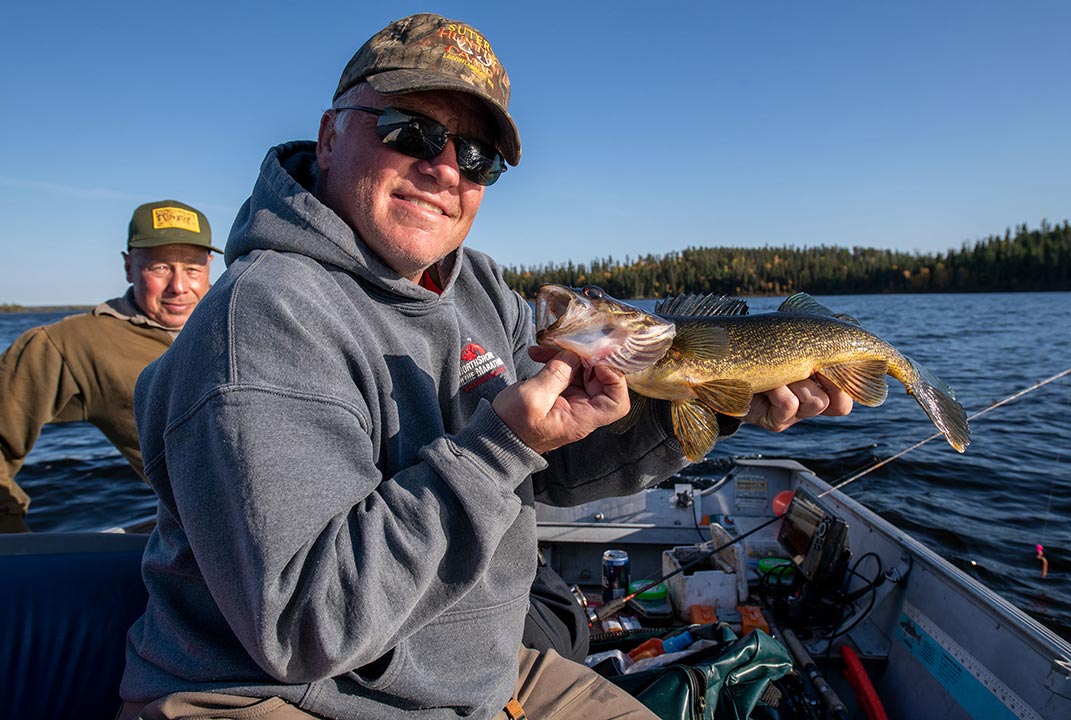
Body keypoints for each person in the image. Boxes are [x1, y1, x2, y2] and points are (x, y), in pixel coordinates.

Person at [119, 13, 852, 720]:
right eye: (411, 131)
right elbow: (307, 626)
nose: (444, 169)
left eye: (477, 156)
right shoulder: (265, 315)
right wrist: (502, 445)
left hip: (472, 675)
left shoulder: (477, 287)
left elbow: (555, 472)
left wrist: (706, 403)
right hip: (279, 698)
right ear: (330, 133)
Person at [0, 200, 220, 533]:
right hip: (206, 540)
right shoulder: (71, 344)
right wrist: (12, 539)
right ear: (129, 267)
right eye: (159, 268)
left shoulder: (242, 316)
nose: (178, 286)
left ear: (210, 267)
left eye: (192, 269)